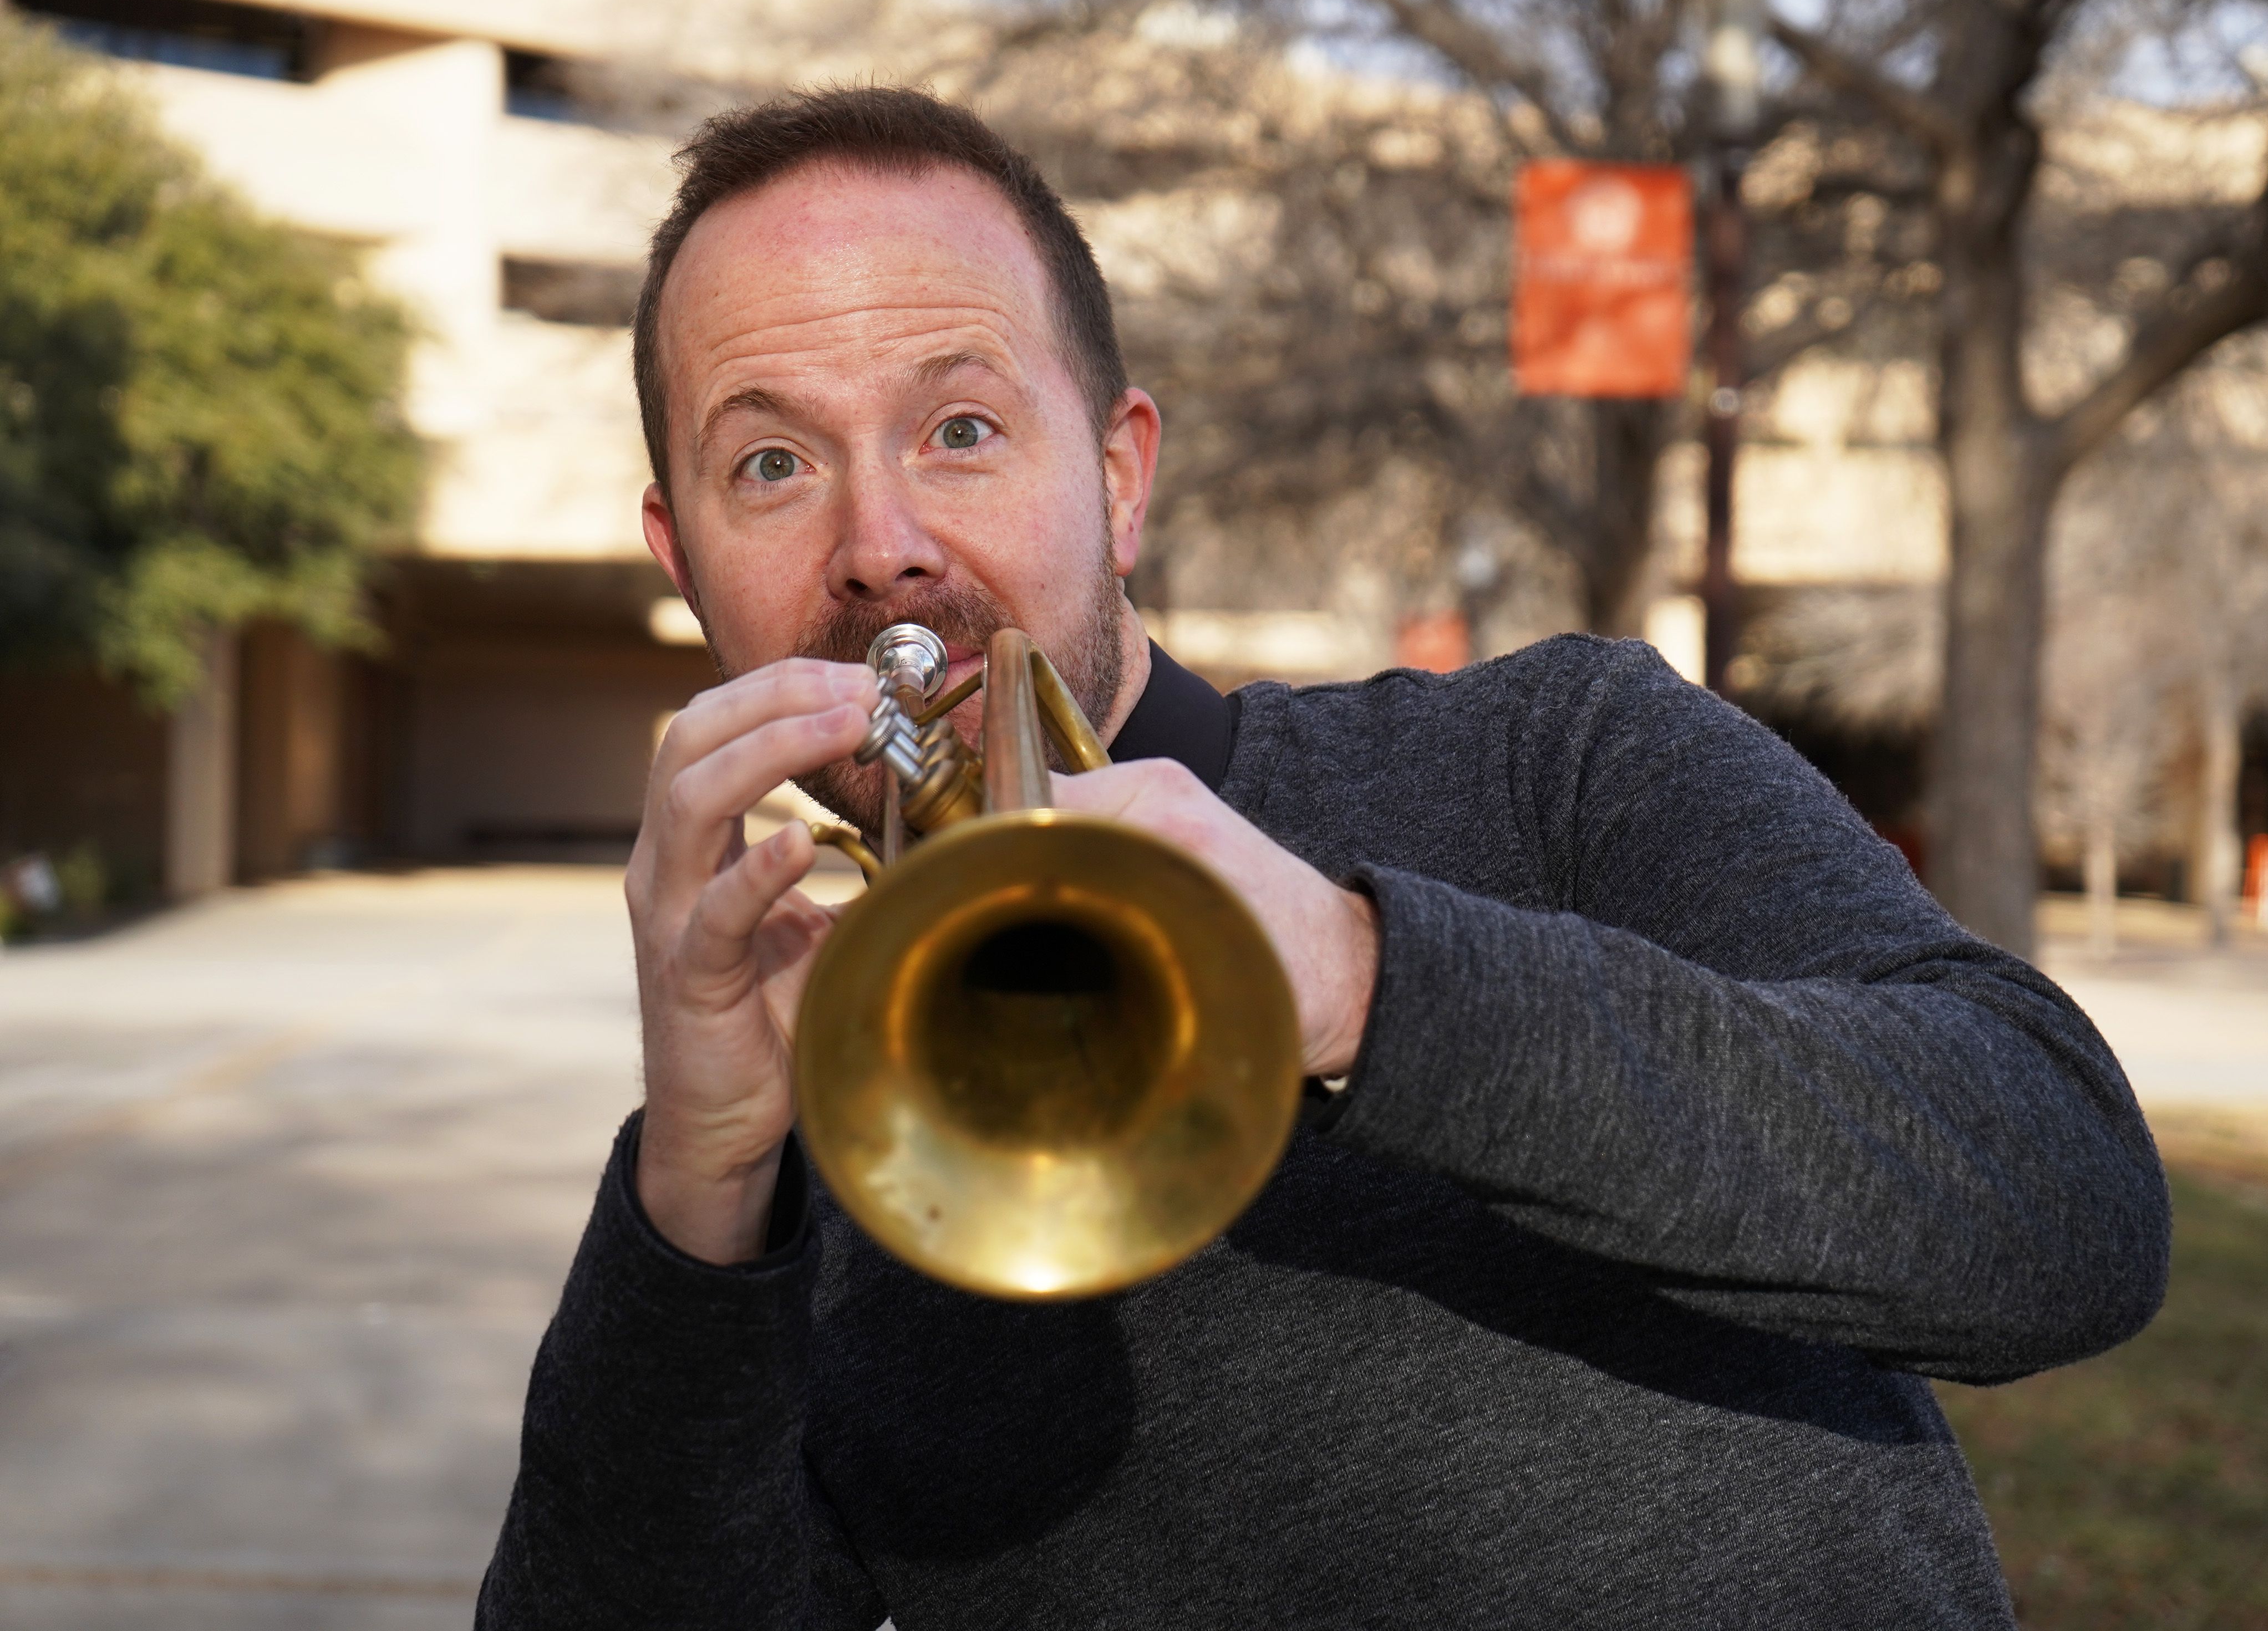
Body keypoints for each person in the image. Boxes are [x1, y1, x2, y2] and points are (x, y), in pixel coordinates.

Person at [477, 86, 2168, 1630]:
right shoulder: (782, 1158)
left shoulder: (1551, 753)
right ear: (681, 559)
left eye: (964, 430)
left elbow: (2066, 1210)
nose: (882, 549)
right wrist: (699, 1206)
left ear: (1121, 478)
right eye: (769, 464)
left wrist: (1369, 980)